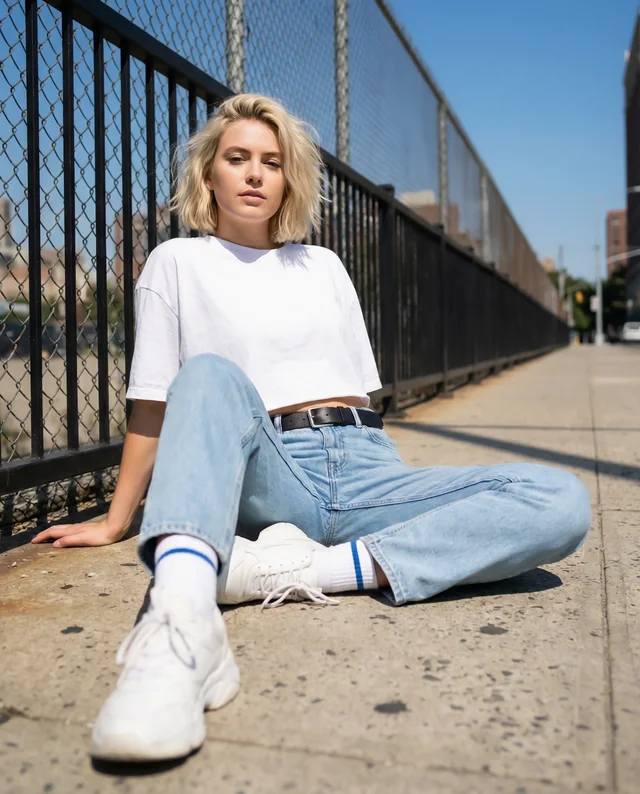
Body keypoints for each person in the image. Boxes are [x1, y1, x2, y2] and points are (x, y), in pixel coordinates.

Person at [32, 93, 591, 763]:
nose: (255, 173)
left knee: (560, 502)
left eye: (272, 161)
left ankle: (311, 570)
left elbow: (360, 397)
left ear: (289, 178)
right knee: (206, 374)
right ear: (208, 172)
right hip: (271, 471)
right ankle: (180, 633)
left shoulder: (322, 265)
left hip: (366, 468)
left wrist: (385, 497)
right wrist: (119, 517)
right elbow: (153, 403)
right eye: (237, 158)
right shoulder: (175, 263)